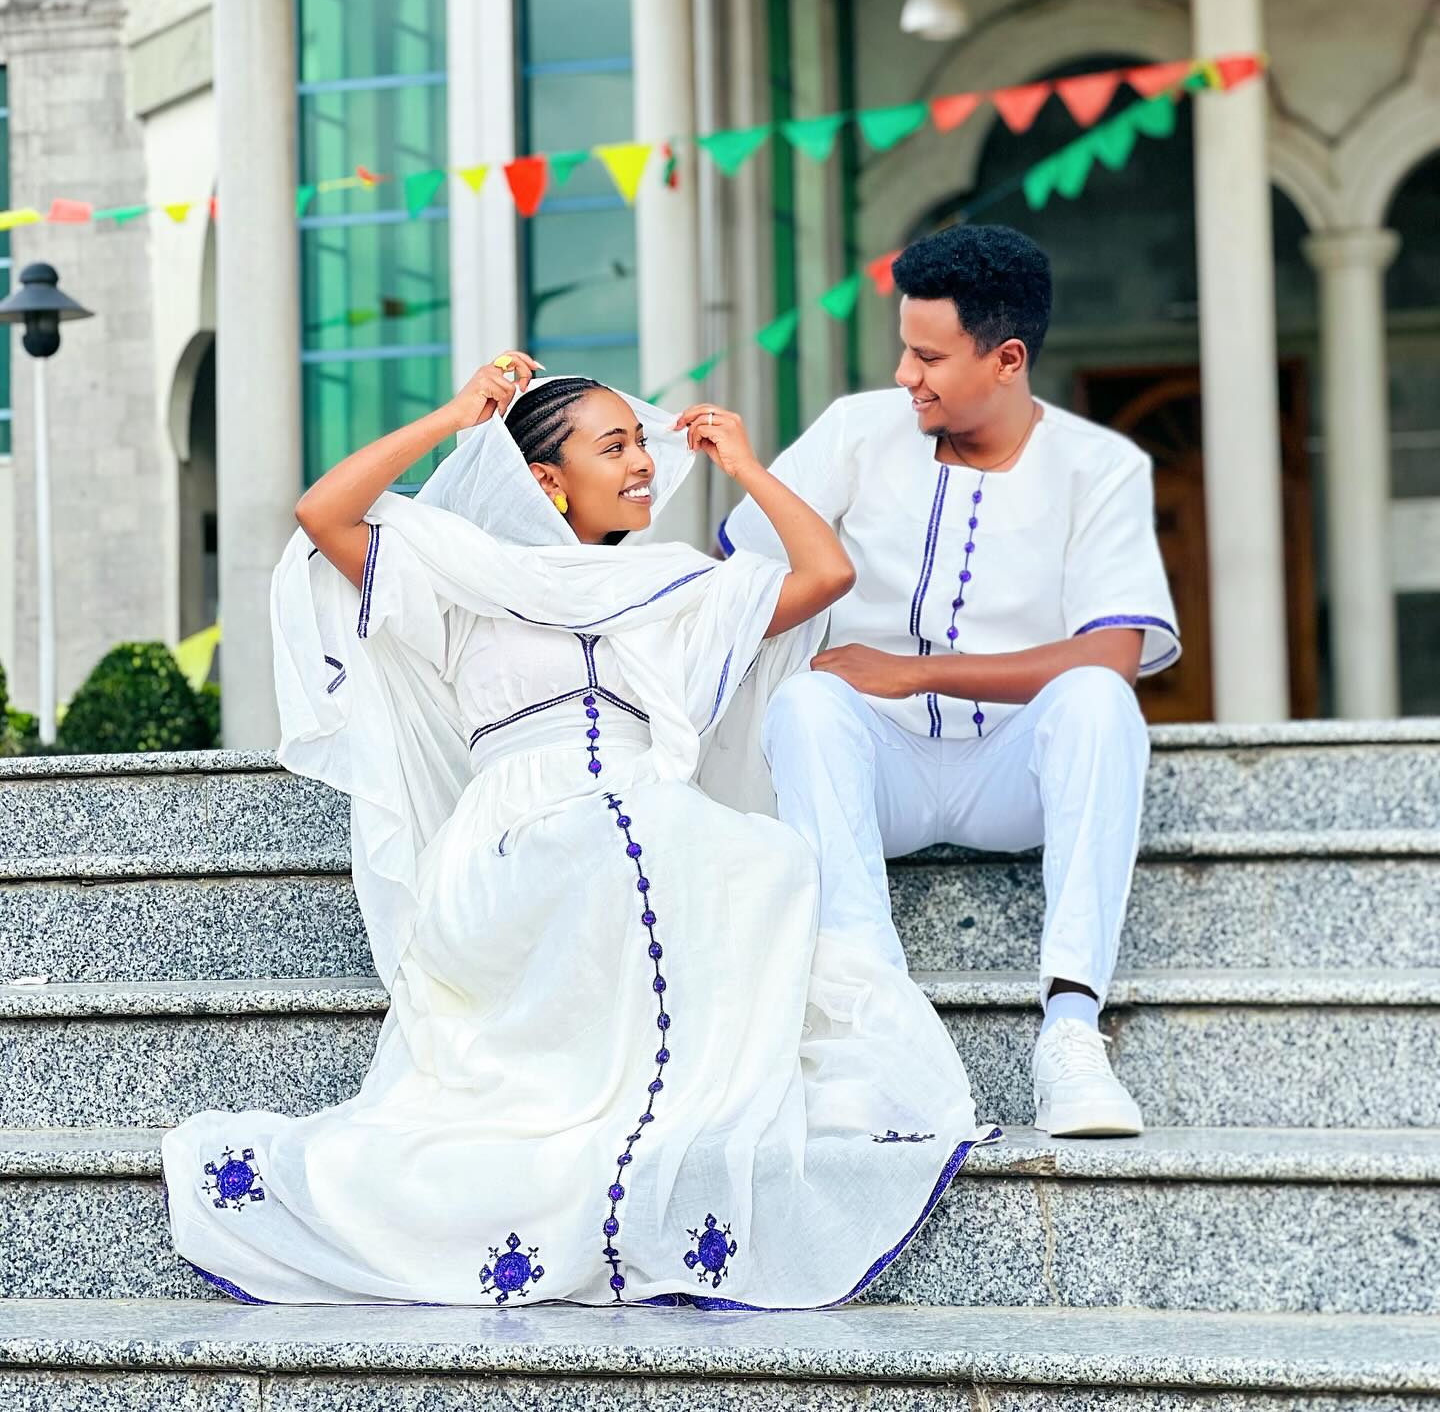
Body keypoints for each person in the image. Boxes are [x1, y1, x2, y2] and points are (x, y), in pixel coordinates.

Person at [161, 357, 995, 1308]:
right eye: (615, 446)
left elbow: (825, 573)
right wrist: (455, 415)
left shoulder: (676, 591)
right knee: (621, 841)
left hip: (649, 818)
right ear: (547, 480)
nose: (643, 460)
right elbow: (324, 515)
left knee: (756, 857)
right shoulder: (463, 577)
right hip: (518, 842)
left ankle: (655, 1132)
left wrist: (749, 468)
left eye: (641, 442)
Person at [719, 224, 1179, 1138]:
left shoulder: (1101, 466)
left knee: (1098, 702)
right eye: (903, 347)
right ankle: (871, 1034)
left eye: (928, 355)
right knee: (809, 703)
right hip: (875, 771)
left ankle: (1072, 1034)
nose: (905, 374)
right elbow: (742, 568)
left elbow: (1115, 652)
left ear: (1006, 358)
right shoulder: (857, 429)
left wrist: (910, 670)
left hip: (1012, 777)